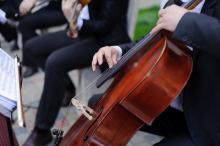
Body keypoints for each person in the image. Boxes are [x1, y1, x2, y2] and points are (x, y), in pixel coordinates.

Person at [91, 0, 220, 145]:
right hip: (170, 104)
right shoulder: (176, 3)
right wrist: (118, 51)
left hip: (208, 121)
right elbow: (152, 38)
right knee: (97, 106)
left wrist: (185, 22)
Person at [23, 0, 130, 145]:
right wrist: (72, 20)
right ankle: (66, 88)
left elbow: (105, 25)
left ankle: (42, 130)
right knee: (31, 48)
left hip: (104, 41)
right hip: (80, 32)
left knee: (54, 62)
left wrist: (75, 21)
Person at [19, 0, 67, 76]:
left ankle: (32, 63)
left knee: (25, 24)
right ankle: (33, 59)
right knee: (24, 20)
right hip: (54, 6)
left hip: (66, 9)